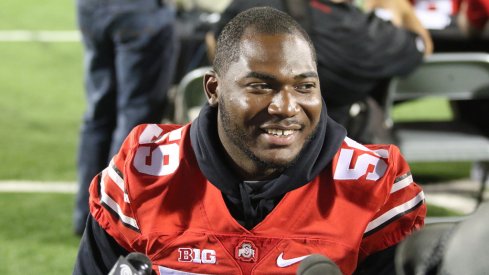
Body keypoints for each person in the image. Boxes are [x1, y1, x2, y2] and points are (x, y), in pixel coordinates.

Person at [73, 7, 426, 275]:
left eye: (305, 86)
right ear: (214, 89)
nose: (286, 107)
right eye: (261, 86)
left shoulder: (373, 185)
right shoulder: (143, 173)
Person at [206, 0, 433, 143]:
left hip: (235, 149)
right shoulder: (361, 33)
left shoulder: (250, 5)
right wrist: (399, 6)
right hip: (326, 156)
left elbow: (213, 41)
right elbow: (422, 44)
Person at [73, 0, 179, 236]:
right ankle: (113, 219)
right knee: (136, 117)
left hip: (92, 7)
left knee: (99, 113)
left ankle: (86, 214)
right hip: (140, 9)